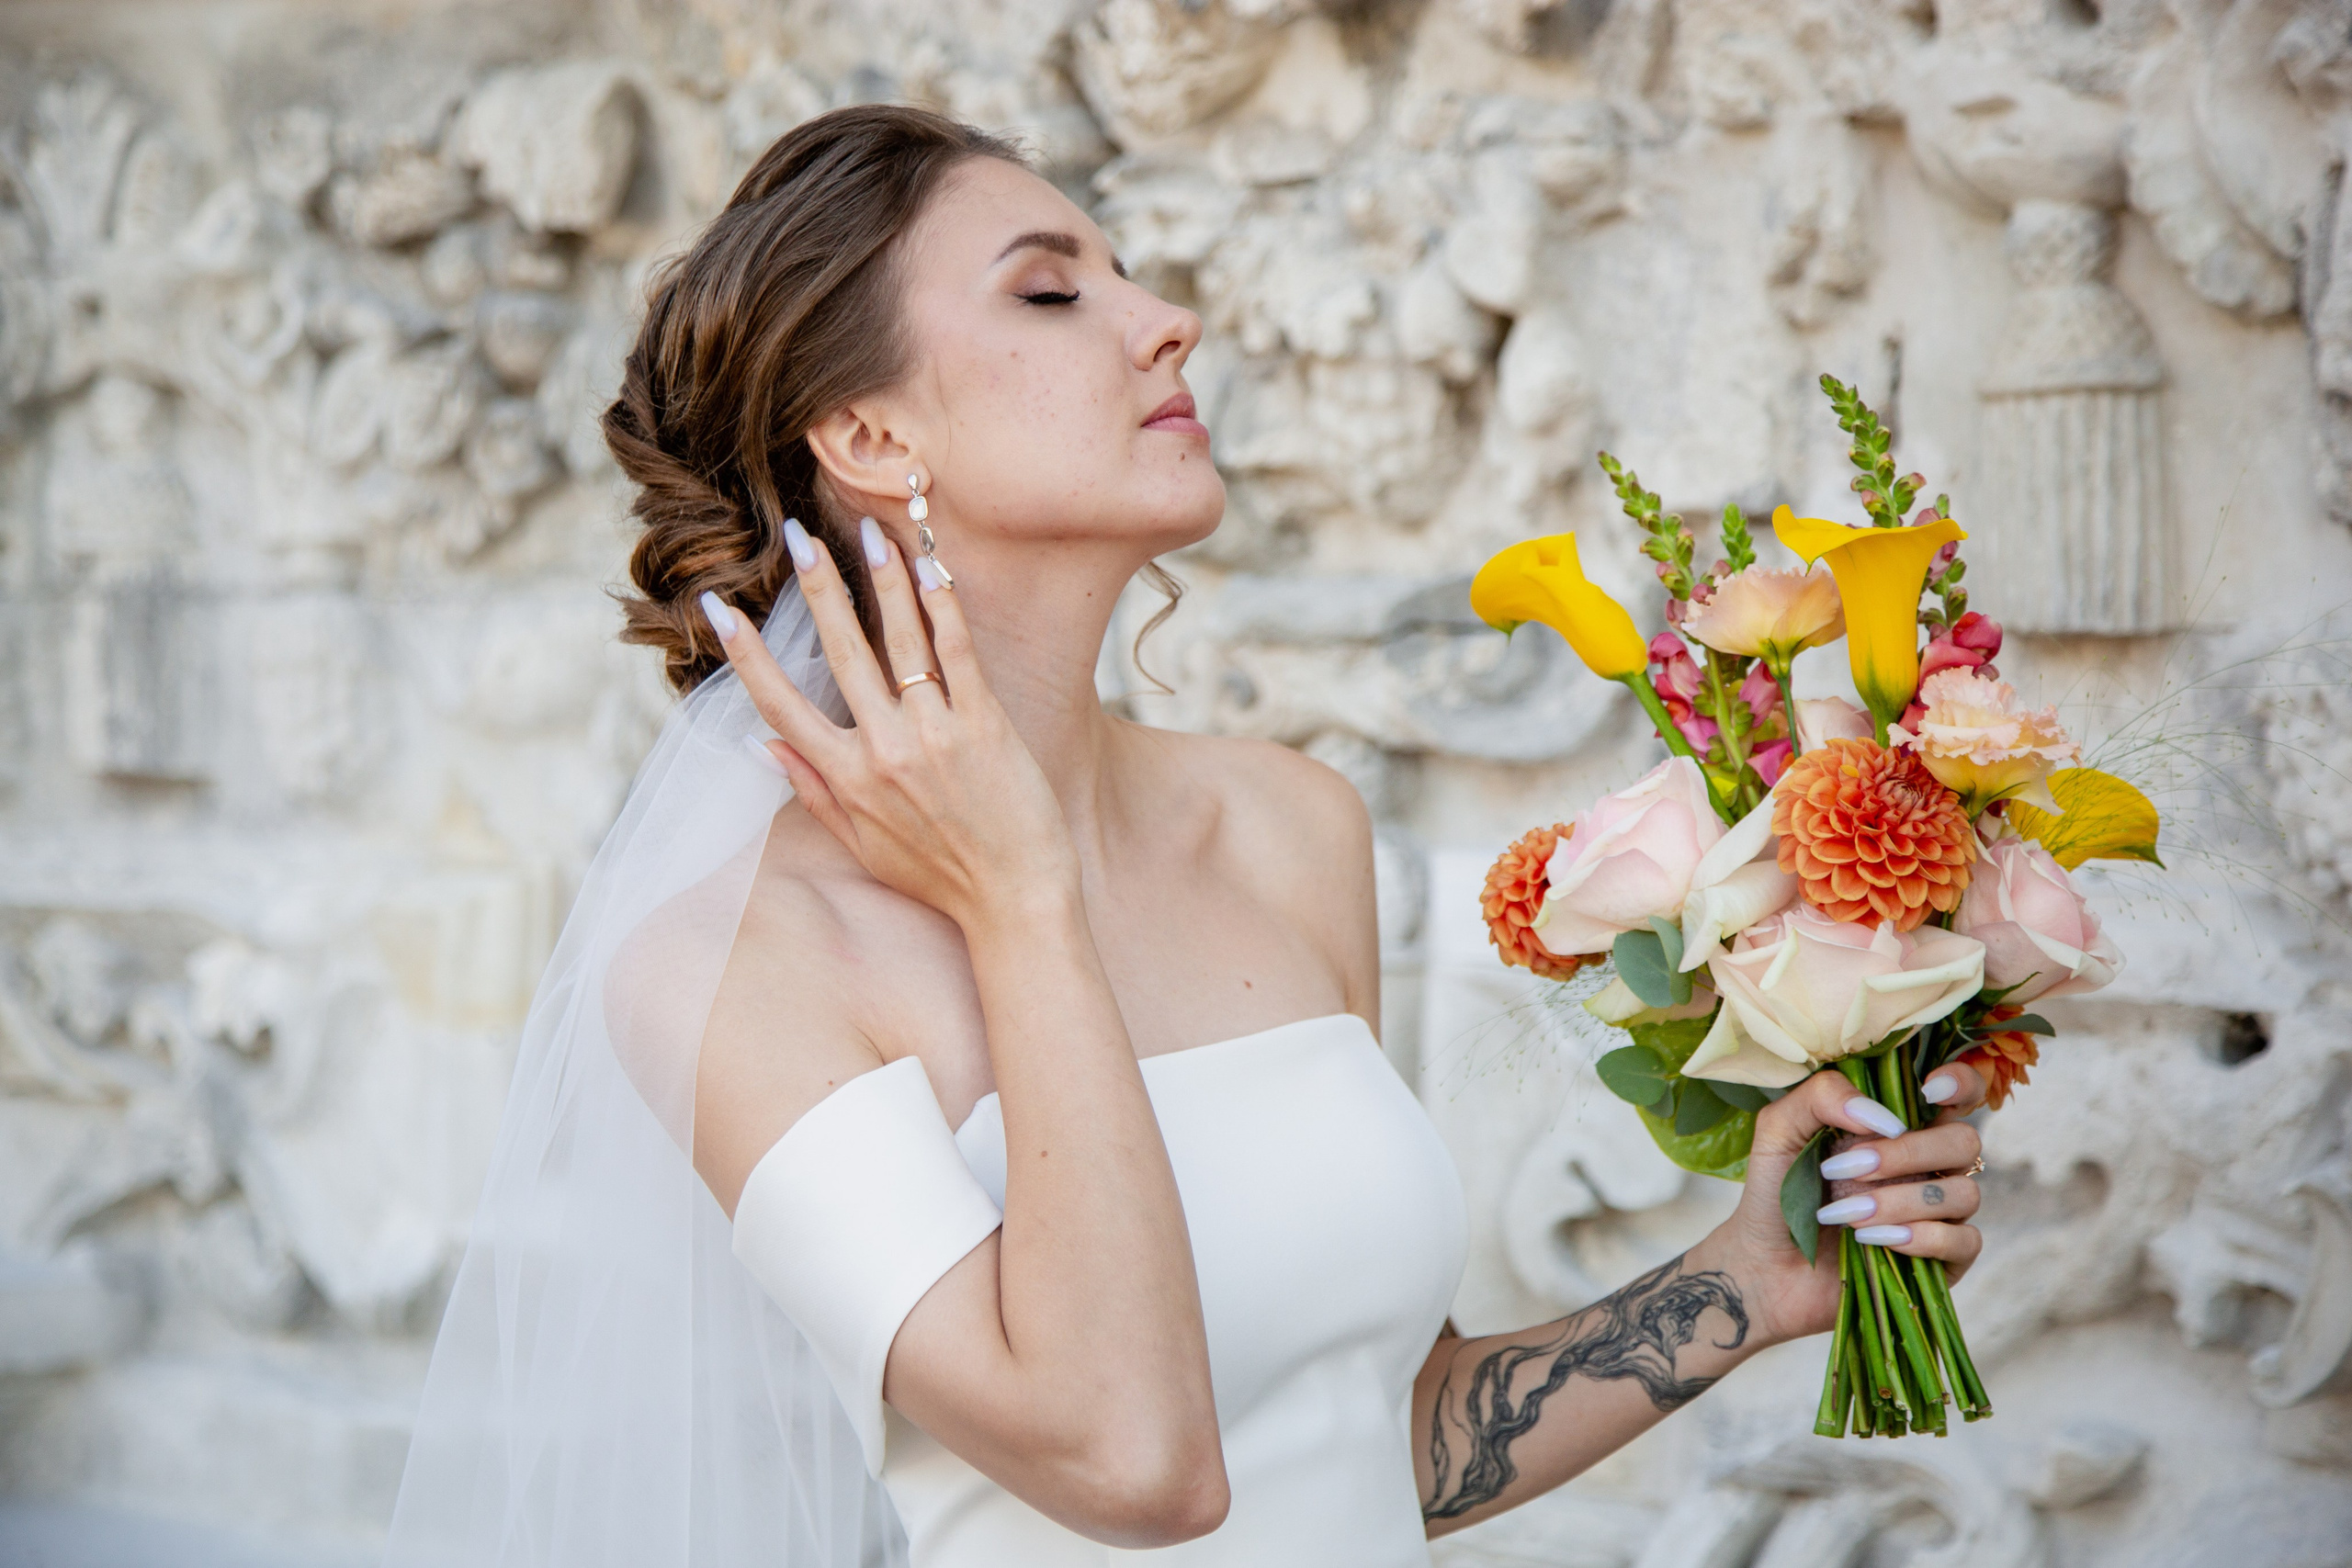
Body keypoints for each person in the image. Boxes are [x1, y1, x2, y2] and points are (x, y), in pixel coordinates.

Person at [383, 105, 1989, 1568]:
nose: (1167, 321)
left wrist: (1743, 1283)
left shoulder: (1287, 825)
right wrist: (1020, 898)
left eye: (1126, 273)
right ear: (870, 437)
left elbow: (1381, 1441)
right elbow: (1137, 1468)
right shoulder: (729, 968)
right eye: (1048, 291)